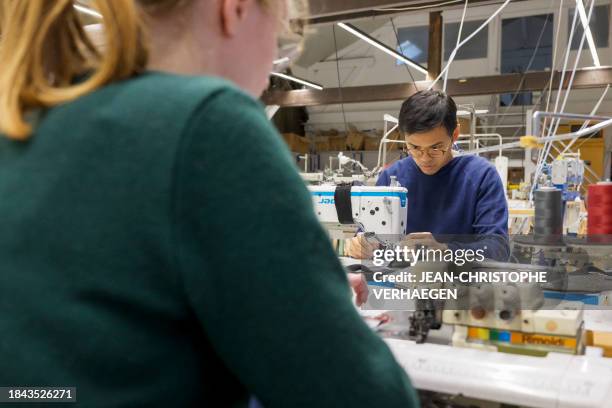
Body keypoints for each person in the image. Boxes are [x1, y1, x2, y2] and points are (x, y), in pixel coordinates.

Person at [0, 1, 418, 407]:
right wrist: (321, 311)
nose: (268, 78)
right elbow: (360, 394)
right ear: (233, 8)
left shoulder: (23, 123)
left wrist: (292, 292)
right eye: (281, 44)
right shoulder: (208, 122)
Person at [347, 90, 509, 260]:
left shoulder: (482, 176)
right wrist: (360, 245)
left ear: (454, 134)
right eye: (415, 147)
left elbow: (498, 249)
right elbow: (368, 236)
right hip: (399, 282)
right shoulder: (392, 177)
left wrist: (446, 251)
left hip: (460, 282)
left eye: (435, 147)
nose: (425, 158)